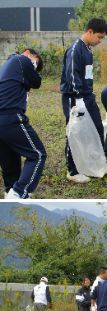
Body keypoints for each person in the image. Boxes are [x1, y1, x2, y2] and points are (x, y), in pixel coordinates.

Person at [60, 17, 107, 184]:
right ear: (89, 31)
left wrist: (87, 96)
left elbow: (87, 75)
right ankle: (72, 170)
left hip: (88, 96)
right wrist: (78, 99)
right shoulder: (76, 49)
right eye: (99, 36)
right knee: (75, 132)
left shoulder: (88, 49)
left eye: (102, 38)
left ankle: (97, 164)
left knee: (97, 128)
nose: (100, 41)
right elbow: (72, 75)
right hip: (75, 98)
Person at [0, 48, 46, 199]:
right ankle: (19, 193)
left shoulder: (8, 65)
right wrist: (31, 65)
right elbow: (37, 82)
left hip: (2, 118)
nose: (34, 66)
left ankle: (10, 190)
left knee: (10, 158)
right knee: (38, 155)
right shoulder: (21, 60)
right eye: (35, 62)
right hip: (11, 117)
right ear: (28, 53)